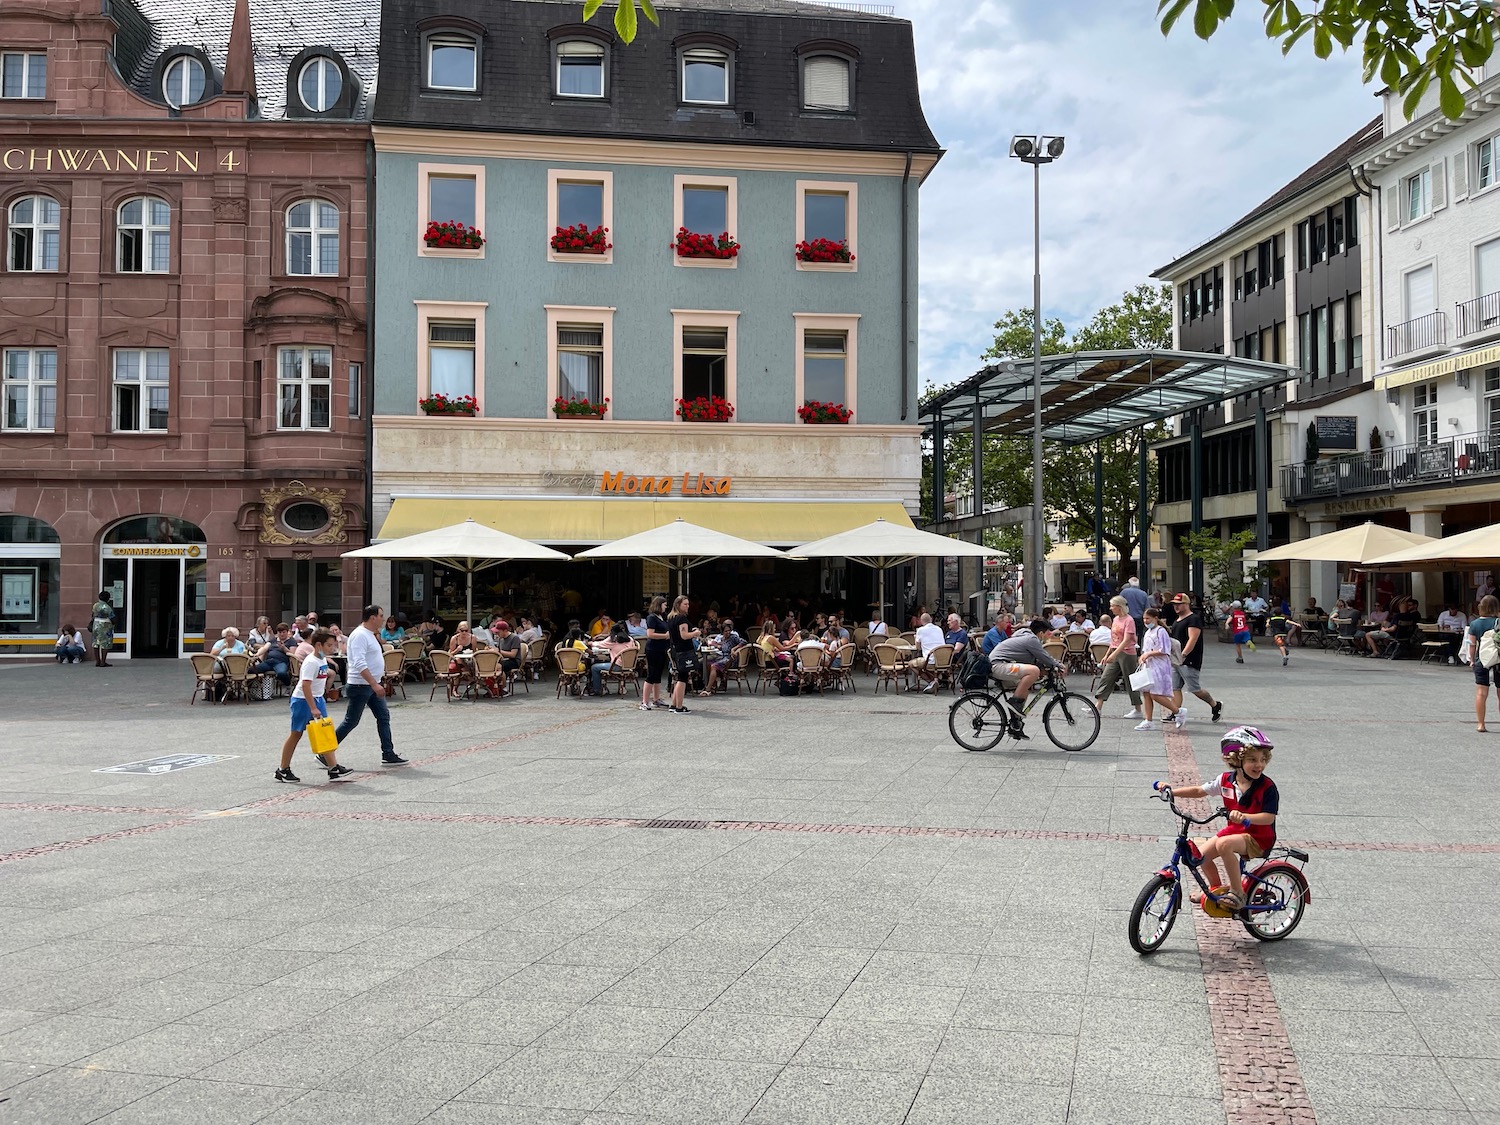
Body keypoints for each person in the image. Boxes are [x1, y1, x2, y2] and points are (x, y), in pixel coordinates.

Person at [1153, 726, 1279, 912]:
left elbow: (1268, 818)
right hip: (1235, 832)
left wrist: (1245, 817)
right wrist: (1172, 791)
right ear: (1236, 760)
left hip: (1259, 837)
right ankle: (1216, 889)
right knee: (1199, 856)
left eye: (1262, 760)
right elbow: (1199, 790)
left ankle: (1237, 894)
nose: (1259, 765)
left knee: (1224, 845)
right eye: (1252, 759)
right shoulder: (1225, 780)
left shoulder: (1268, 787)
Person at [275, 629, 355, 784]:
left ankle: (333, 768)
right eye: (329, 645)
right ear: (319, 645)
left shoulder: (322, 659)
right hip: (303, 701)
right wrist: (313, 707)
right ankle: (283, 769)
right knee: (296, 734)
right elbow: (305, 685)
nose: (332, 648)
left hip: (317, 699)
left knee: (325, 732)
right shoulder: (311, 662)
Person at [335, 605, 408, 766]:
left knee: (383, 717)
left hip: (371, 684)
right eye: (381, 615)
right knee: (351, 721)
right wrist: (374, 684)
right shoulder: (360, 635)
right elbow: (359, 663)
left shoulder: (369, 634)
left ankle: (388, 753)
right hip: (361, 685)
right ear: (373, 617)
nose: (383, 619)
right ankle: (325, 752)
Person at [986, 618, 1063, 740]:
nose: (1048, 637)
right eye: (1048, 633)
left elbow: (1036, 658)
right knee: (1034, 671)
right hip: (998, 665)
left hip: (1000, 665)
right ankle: (1014, 703)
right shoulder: (1032, 639)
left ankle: (1015, 725)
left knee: (1025, 687)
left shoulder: (1026, 637)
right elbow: (1044, 657)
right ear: (1041, 633)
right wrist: (1058, 665)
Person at [1170, 594, 1223, 724]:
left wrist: (1184, 654)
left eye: (1179, 604)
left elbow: (1192, 639)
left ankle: (1215, 704)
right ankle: (1176, 712)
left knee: (1194, 689)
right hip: (1176, 659)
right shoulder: (1177, 620)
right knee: (1175, 687)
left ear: (1186, 604)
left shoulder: (1193, 619)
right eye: (1174, 604)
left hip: (1188, 659)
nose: (1176, 606)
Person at [1094, 595, 1144, 718]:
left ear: (1119, 606)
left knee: (1130, 680)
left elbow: (1127, 640)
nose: (1110, 608)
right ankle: (1097, 707)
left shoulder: (1129, 620)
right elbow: (1113, 639)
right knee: (1106, 677)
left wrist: (1114, 654)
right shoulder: (1115, 619)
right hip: (1116, 651)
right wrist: (1107, 654)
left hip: (1127, 653)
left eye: (1112, 606)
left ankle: (1138, 709)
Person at [1133, 607, 1179, 731]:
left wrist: (1149, 654)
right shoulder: (1148, 632)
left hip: (1159, 666)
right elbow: (1145, 649)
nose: (1145, 621)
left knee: (1155, 694)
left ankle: (1177, 711)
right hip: (1148, 665)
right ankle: (1148, 720)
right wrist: (1142, 657)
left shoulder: (1161, 631)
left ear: (1155, 618)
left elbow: (1164, 650)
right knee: (1146, 693)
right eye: (1144, 619)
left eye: (1148, 618)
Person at [1467, 594, 1500, 731]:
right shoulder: (1498, 622)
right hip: (1499, 659)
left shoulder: (1475, 624)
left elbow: (1472, 644)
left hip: (1482, 659)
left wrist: (1471, 659)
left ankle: (1481, 724)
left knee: (1481, 692)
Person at [665, 594, 700, 713]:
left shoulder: (671, 618)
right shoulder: (681, 619)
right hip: (684, 650)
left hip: (675, 650)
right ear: (678, 605)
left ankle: (674, 705)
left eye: (688, 604)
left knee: (679, 677)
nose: (687, 606)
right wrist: (695, 633)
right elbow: (684, 635)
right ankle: (679, 707)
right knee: (682, 678)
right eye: (685, 604)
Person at [641, 595, 671, 712]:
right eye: (664, 604)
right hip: (653, 649)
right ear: (659, 605)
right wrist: (665, 636)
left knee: (658, 674)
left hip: (662, 649)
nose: (665, 606)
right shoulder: (651, 618)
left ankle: (656, 698)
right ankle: (645, 701)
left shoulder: (661, 617)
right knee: (652, 674)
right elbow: (650, 634)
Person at [591, 623, 637, 696]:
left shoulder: (613, 640)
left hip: (617, 666)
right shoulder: (630, 639)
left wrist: (590, 643)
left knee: (594, 667)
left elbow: (599, 644)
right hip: (629, 666)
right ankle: (621, 687)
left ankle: (597, 690)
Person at [492, 619, 524, 691]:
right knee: (490, 665)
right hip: (503, 659)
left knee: (499, 666)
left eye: (498, 632)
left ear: (505, 630)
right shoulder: (500, 639)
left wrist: (499, 651)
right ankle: (492, 688)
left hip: (514, 661)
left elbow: (513, 654)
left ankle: (503, 688)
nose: (497, 634)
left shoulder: (514, 638)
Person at [90, 591, 115, 668]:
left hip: (96, 625)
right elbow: (112, 617)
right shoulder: (107, 607)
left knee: (96, 643)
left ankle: (97, 661)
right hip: (105, 625)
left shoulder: (95, 605)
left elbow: (92, 614)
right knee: (105, 643)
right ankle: (103, 662)